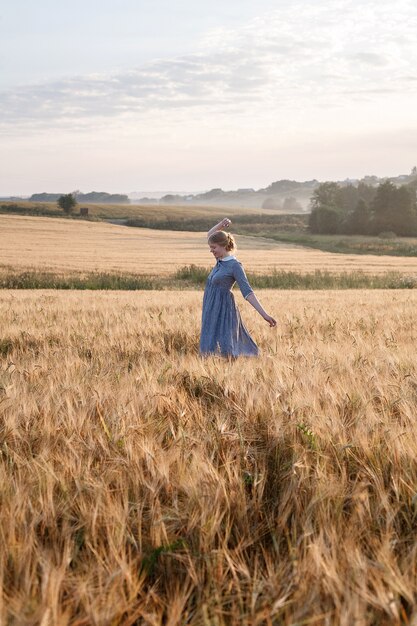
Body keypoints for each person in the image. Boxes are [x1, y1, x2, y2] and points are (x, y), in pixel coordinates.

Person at [199, 217, 276, 357]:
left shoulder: (235, 266)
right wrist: (221, 225)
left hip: (223, 309)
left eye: (213, 247)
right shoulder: (220, 260)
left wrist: (264, 315)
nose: (211, 251)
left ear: (223, 246)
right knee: (209, 343)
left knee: (225, 345)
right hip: (210, 307)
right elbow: (210, 234)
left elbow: (248, 293)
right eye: (211, 247)